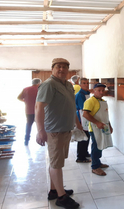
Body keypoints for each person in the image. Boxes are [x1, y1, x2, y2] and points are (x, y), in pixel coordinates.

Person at [35, 58, 82, 209]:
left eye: (64, 67)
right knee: (56, 164)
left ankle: (54, 190)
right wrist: (40, 130)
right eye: (58, 67)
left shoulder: (68, 85)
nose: (61, 69)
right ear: (53, 69)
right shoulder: (49, 85)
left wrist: (77, 122)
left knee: (57, 162)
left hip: (65, 129)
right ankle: (61, 197)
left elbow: (71, 105)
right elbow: (39, 107)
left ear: (68, 70)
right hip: (54, 130)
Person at [83, 83, 113, 176]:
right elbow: (85, 114)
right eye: (99, 90)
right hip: (95, 128)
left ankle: (98, 162)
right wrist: (97, 123)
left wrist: (110, 126)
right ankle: (95, 167)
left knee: (100, 144)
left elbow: (105, 116)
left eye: (103, 90)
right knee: (96, 146)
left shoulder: (102, 101)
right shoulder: (90, 101)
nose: (101, 92)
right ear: (94, 91)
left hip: (103, 127)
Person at [17, 78, 42, 146]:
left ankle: (26, 140)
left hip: (29, 110)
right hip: (39, 110)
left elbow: (19, 97)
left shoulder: (26, 89)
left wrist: (25, 101)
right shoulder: (40, 89)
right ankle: (41, 139)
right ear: (38, 83)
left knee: (28, 125)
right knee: (40, 125)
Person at [75, 78, 91, 163]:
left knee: (87, 137)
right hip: (82, 118)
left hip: (86, 118)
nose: (86, 84)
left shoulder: (87, 93)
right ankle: (80, 157)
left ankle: (85, 152)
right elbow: (83, 109)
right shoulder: (80, 94)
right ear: (80, 85)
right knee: (82, 138)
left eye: (87, 83)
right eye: (84, 83)